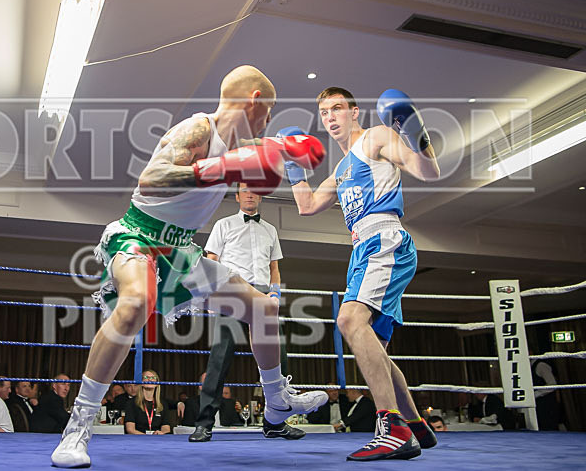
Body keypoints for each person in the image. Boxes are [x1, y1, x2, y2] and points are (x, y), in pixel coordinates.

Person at [51, 65, 328, 468]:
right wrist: (220, 168)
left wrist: (288, 151)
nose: (267, 120)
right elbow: (151, 178)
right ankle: (77, 427)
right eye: (267, 111)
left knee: (264, 309)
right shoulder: (198, 129)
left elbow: (268, 153)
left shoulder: (244, 143)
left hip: (182, 249)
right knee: (134, 304)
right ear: (254, 100)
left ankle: (277, 401)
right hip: (140, 236)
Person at [286, 87, 441, 461]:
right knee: (377, 352)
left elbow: (427, 170)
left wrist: (411, 127)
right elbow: (306, 206)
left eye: (337, 108)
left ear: (355, 112)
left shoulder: (376, 137)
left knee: (349, 319)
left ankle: (392, 428)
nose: (330, 117)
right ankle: (415, 423)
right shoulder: (340, 171)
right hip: (363, 251)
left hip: (384, 239)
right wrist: (292, 165)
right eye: (324, 112)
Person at [190, 183, 303, 442]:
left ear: (260, 195)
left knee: (279, 361)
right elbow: (212, 260)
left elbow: (274, 267)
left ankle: (276, 423)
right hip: (232, 294)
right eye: (245, 190)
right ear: (238, 196)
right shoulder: (223, 224)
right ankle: (204, 423)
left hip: (263, 295)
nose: (250, 193)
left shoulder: (270, 230)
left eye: (255, 189)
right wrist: (214, 294)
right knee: (219, 359)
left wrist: (275, 293)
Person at [123, 370, 173, 435]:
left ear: (157, 384)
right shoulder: (131, 403)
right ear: (141, 383)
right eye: (146, 377)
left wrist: (161, 433)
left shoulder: (162, 404)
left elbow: (166, 427)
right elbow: (130, 429)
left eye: (153, 378)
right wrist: (146, 437)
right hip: (138, 440)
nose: (150, 379)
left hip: (157, 440)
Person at [530, 354, 562, 430]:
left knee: (549, 428)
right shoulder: (529, 367)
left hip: (547, 404)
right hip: (538, 405)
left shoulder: (541, 365)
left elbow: (552, 384)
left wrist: (536, 394)